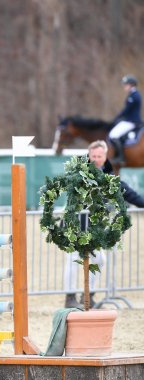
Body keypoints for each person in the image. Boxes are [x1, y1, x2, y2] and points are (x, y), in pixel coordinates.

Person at [63, 140, 144, 308]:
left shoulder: (109, 176)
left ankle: (89, 295)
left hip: (94, 228)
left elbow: (128, 193)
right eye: (93, 156)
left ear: (105, 156)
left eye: (99, 156)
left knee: (99, 259)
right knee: (72, 258)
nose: (96, 159)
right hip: (76, 224)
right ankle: (69, 296)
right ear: (89, 155)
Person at [108, 74, 141, 165]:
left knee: (113, 134)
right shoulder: (132, 95)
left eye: (126, 84)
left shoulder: (134, 96)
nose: (124, 86)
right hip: (129, 120)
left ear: (131, 85)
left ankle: (120, 157)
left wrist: (118, 117)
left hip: (131, 121)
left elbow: (127, 110)